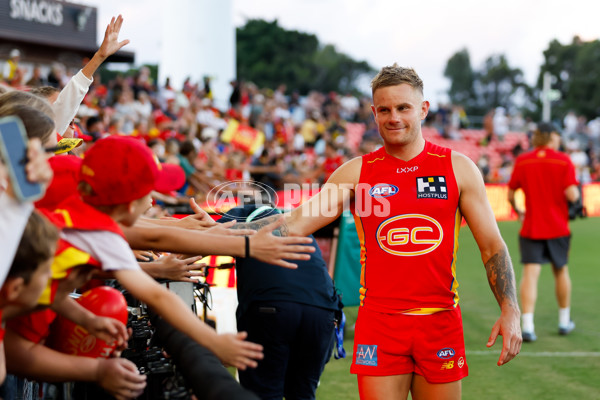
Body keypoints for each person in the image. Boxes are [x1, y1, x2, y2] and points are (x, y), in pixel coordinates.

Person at [233, 64, 522, 399]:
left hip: (439, 323)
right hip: (380, 326)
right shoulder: (356, 173)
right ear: (373, 113)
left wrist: (510, 308)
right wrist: (223, 229)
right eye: (384, 110)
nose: (393, 117)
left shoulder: (458, 169)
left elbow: (492, 247)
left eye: (403, 108)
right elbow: (292, 225)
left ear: (423, 109)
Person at [219, 204, 342, 400]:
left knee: (264, 392)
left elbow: (209, 238)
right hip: (322, 310)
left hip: (271, 305)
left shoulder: (245, 221)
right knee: (303, 393)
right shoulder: (298, 227)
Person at [508, 122, 580, 342]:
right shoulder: (563, 160)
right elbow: (572, 195)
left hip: (531, 226)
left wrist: (519, 210)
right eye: (558, 134)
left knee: (530, 275)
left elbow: (511, 194)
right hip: (558, 227)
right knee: (561, 271)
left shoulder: (523, 160)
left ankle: (527, 326)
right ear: (551, 136)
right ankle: (564, 320)